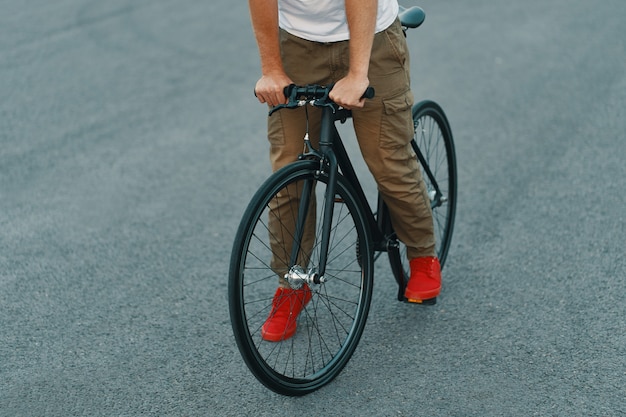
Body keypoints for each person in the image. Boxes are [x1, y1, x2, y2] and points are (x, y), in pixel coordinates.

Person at [249, 0, 441, 342]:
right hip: (298, 44)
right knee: (287, 175)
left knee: (388, 161)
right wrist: (272, 69)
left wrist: (357, 73)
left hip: (373, 38)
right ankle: (292, 284)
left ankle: (423, 253)